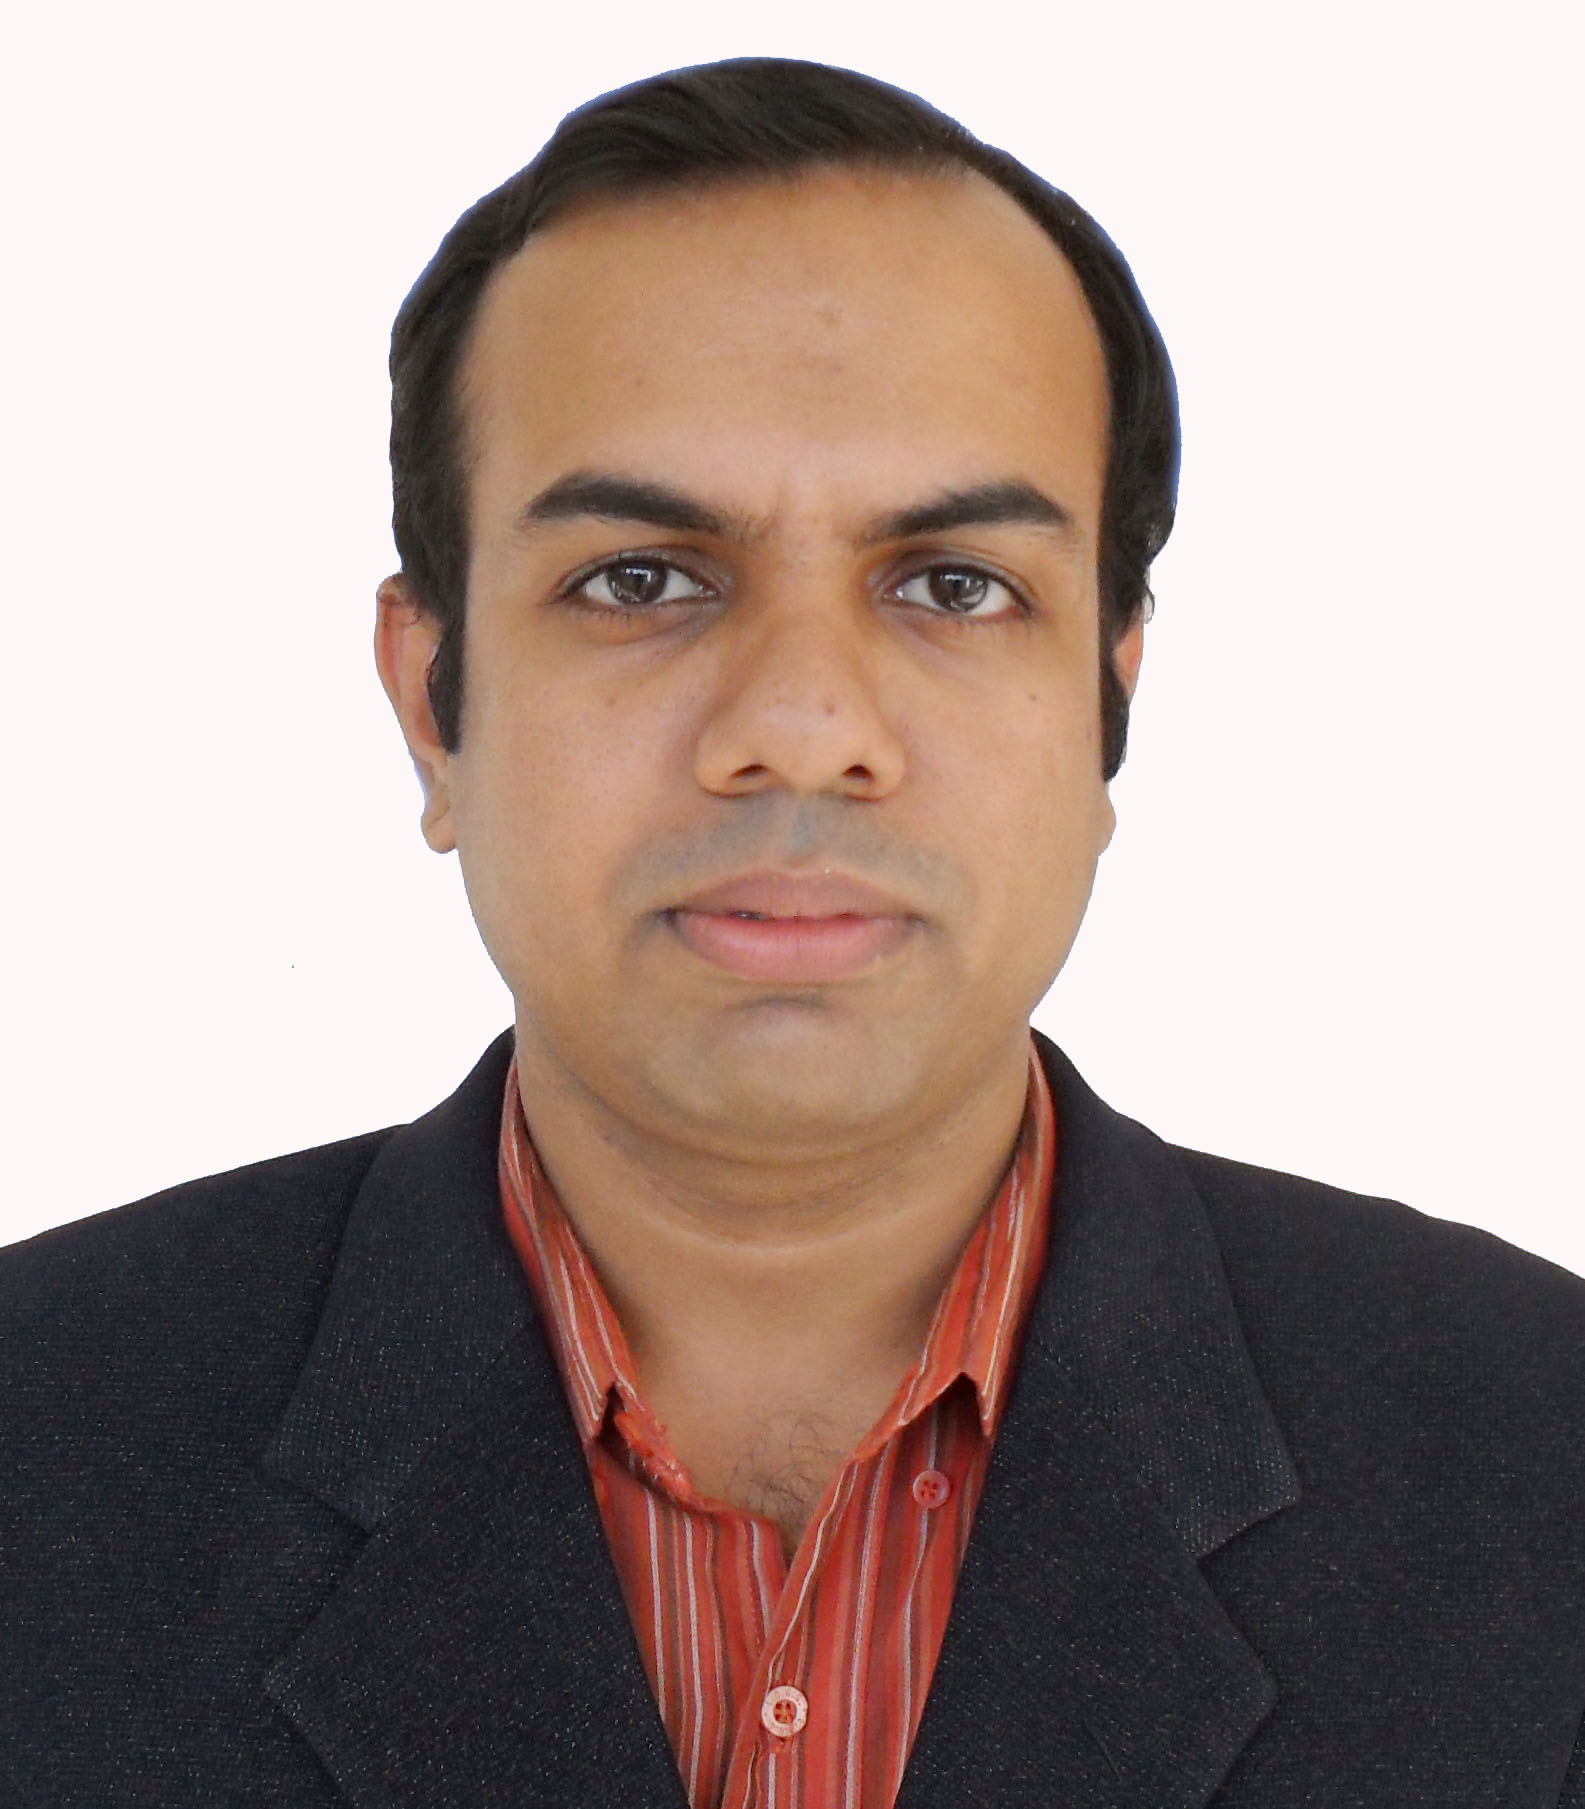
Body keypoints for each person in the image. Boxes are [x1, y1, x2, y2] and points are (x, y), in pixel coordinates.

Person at [2, 55, 1581, 1808]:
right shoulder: (38, 1443)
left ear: (1107, 701)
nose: (803, 725)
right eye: (639, 578)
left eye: (954, 585)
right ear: (432, 705)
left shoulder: (1544, 1462)